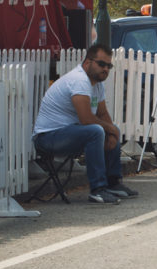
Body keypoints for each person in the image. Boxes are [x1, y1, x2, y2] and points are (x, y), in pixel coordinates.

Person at [32, 43, 136, 203]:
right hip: (48, 137)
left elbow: (102, 113)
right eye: (101, 64)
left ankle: (113, 183)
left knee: (109, 129)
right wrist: (110, 130)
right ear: (87, 62)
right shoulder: (79, 80)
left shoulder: (97, 84)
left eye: (109, 66)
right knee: (95, 131)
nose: (105, 69)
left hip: (70, 132)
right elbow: (86, 119)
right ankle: (97, 189)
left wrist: (112, 132)